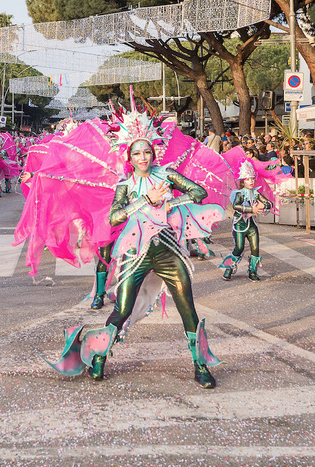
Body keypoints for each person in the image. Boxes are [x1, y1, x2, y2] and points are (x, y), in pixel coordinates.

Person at [44, 103, 223, 388]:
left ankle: (200, 366)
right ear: (129, 156)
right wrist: (144, 201)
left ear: (153, 152)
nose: (143, 158)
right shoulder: (125, 185)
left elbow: (199, 192)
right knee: (122, 310)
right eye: (137, 153)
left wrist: (170, 203)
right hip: (135, 254)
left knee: (187, 308)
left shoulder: (167, 175)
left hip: (168, 253)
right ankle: (99, 356)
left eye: (147, 152)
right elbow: (114, 217)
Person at [220, 161, 273, 281]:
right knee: (239, 248)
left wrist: (263, 205)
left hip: (252, 225)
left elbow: (269, 203)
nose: (251, 181)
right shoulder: (239, 193)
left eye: (253, 179)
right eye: (248, 179)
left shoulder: (256, 193)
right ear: (243, 181)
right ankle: (229, 268)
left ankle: (252, 271)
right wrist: (251, 209)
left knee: (255, 248)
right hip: (239, 225)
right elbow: (236, 206)